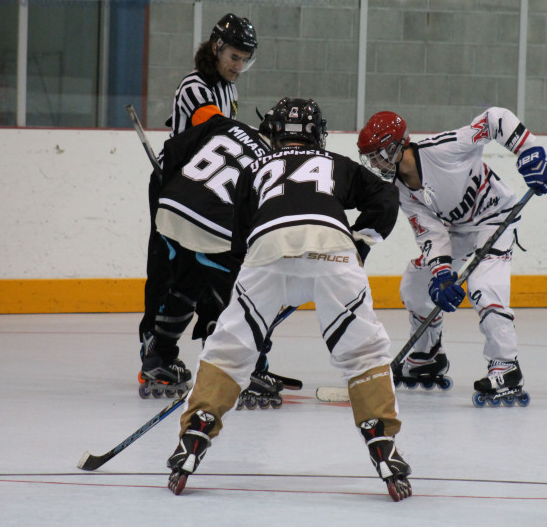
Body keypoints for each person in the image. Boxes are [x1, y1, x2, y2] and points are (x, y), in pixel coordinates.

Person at [166, 97, 412, 501]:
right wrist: (362, 243)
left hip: (268, 249)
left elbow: (242, 236)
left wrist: (263, 292)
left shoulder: (255, 168)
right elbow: (385, 198)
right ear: (318, 134)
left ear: (274, 133)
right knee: (362, 350)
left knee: (231, 347)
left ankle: (197, 429)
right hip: (332, 247)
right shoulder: (336, 163)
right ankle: (383, 443)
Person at [356, 108, 547, 406]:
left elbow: (493, 119)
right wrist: (440, 275)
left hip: (495, 216)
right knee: (416, 283)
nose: (374, 163)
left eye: (378, 154)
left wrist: (528, 152)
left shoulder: (444, 148)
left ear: (396, 145)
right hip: (458, 230)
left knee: (483, 285)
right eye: (370, 157)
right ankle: (427, 356)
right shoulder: (398, 190)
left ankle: (506, 366)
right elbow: (430, 233)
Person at [138, 13, 293, 399]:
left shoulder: (228, 90)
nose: (238, 66)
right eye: (234, 57)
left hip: (206, 193)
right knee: (171, 270)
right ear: (216, 47)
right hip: (179, 189)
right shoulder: (195, 85)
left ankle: (181, 350)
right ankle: (155, 348)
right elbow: (217, 131)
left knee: (196, 273)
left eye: (245, 60)